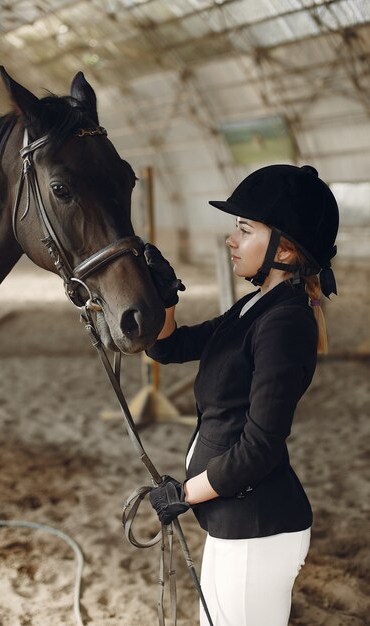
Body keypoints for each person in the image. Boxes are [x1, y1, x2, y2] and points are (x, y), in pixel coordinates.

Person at [144, 164, 339, 626]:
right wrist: (164, 297)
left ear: (285, 247)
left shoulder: (287, 322)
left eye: (245, 229)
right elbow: (169, 347)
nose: (231, 240)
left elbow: (260, 446)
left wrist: (185, 494)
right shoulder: (255, 306)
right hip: (235, 525)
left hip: (258, 532)